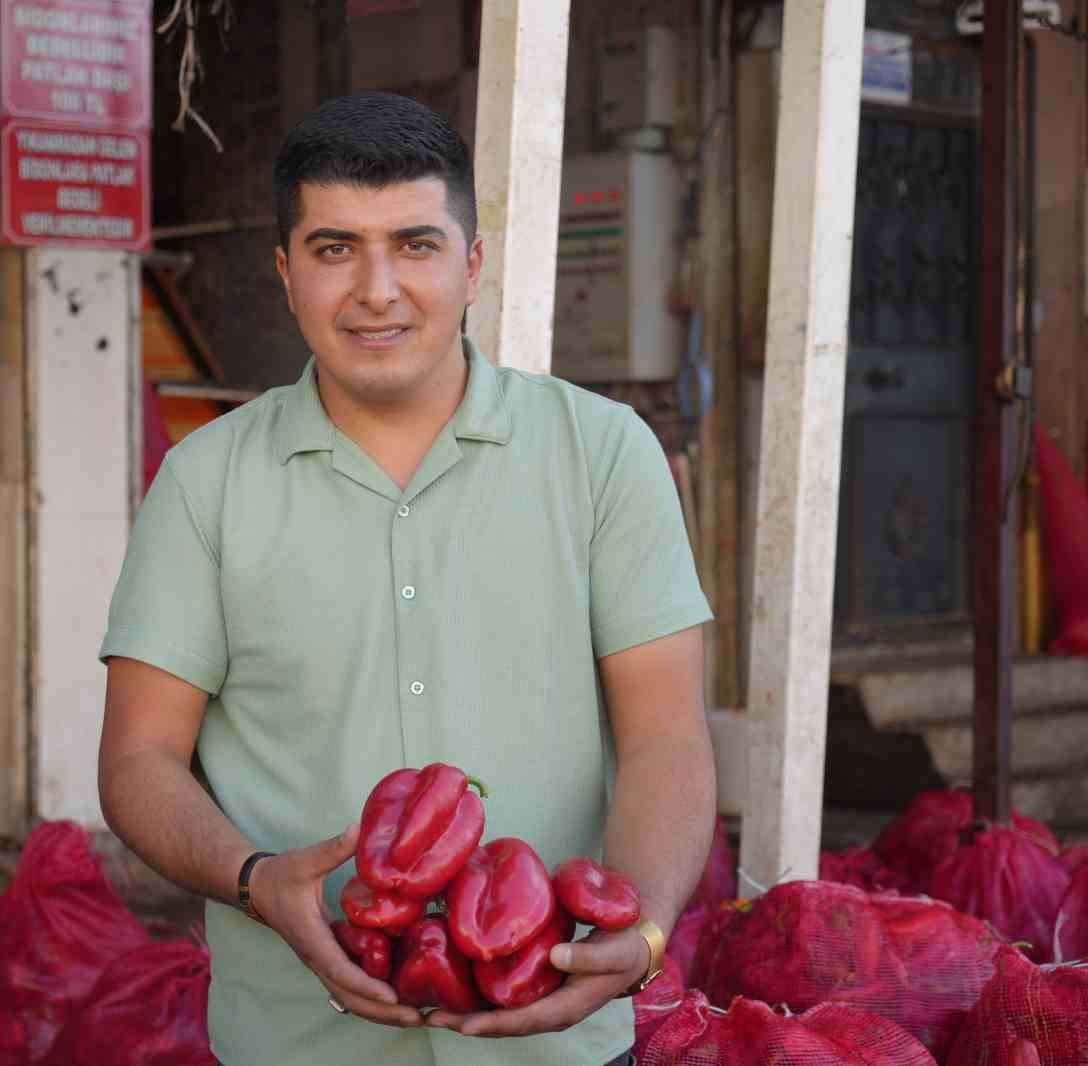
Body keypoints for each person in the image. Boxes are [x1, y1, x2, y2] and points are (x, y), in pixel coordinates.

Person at [98, 91, 715, 1066]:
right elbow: (137, 760)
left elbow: (666, 736)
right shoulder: (203, 482)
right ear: (286, 273)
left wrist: (633, 937)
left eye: (416, 245)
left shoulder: (602, 454)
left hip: (556, 1036)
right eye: (335, 247)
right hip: (293, 1039)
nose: (376, 289)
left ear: (472, 266)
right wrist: (255, 878)